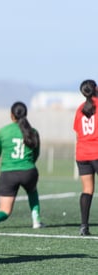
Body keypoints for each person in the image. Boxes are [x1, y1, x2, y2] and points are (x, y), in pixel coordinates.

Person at [0, 101, 43, 230]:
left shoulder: (3, 131)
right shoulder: (33, 132)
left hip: (8, 174)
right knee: (32, 191)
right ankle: (36, 220)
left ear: (11, 115)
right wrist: (28, 165)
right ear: (26, 114)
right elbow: (36, 154)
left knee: (5, 210)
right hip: (29, 171)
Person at [73, 79, 98, 236]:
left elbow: (77, 132)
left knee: (87, 190)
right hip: (96, 152)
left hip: (82, 153)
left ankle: (84, 226)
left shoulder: (80, 109)